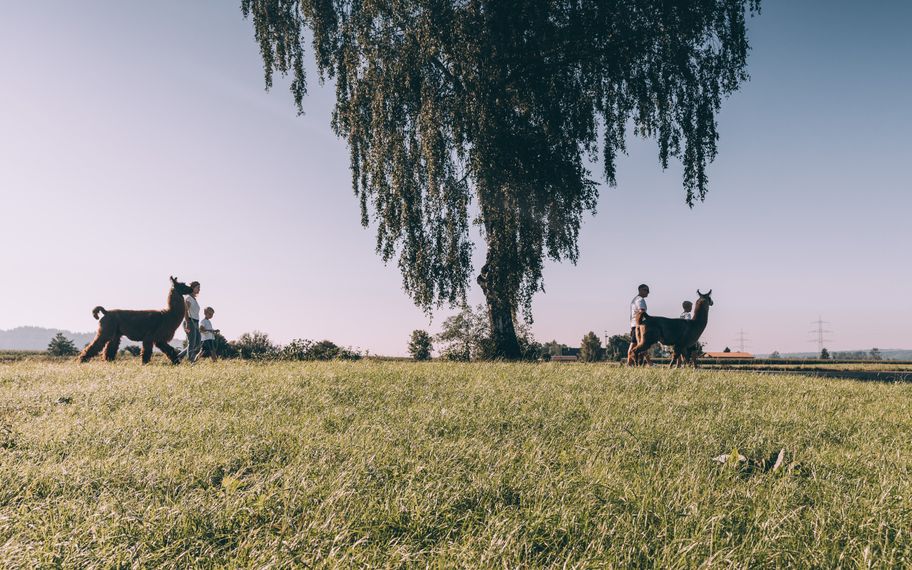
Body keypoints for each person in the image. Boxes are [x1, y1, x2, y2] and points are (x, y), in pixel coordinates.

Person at [177, 281, 202, 363]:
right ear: (193, 288)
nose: (199, 289)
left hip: (196, 322)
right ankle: (191, 361)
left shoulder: (194, 299)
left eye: (199, 287)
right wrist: (187, 323)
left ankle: (178, 357)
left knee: (197, 343)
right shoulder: (189, 298)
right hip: (190, 322)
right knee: (192, 343)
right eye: (197, 287)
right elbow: (185, 311)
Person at [626, 284, 650, 366]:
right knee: (633, 345)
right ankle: (629, 364)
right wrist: (650, 320)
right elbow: (641, 311)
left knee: (641, 345)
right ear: (640, 290)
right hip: (638, 326)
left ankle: (650, 363)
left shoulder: (635, 299)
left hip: (634, 325)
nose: (648, 292)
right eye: (646, 290)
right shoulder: (640, 300)